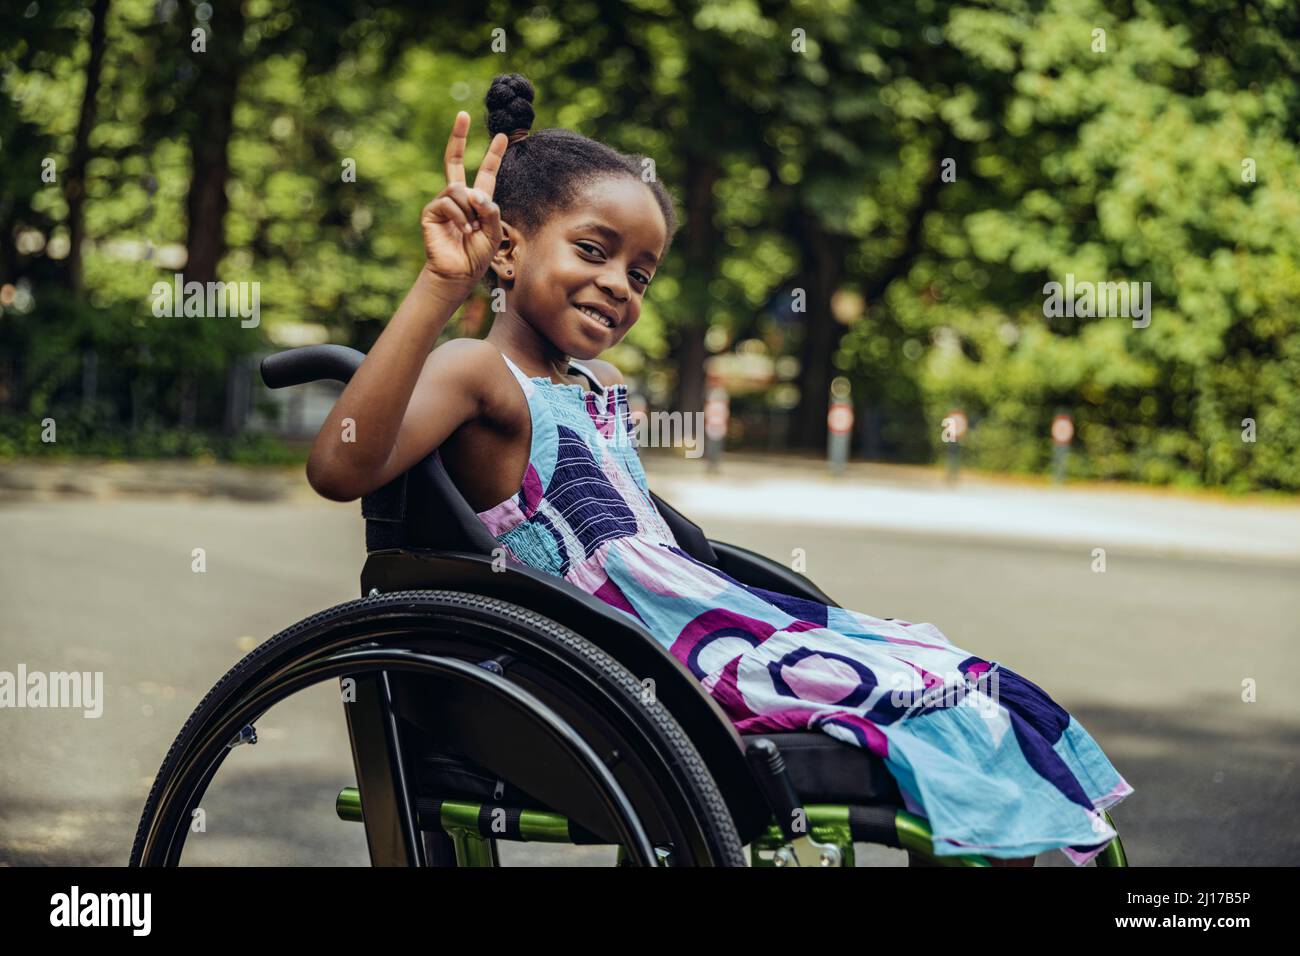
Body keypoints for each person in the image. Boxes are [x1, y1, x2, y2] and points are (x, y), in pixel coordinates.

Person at [307, 73, 1133, 866]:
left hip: (669, 630)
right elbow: (341, 466)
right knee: (933, 703)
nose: (617, 286)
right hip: (622, 661)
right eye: (593, 251)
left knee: (968, 690)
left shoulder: (596, 386)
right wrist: (440, 284)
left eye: (639, 273)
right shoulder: (477, 371)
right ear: (509, 249)